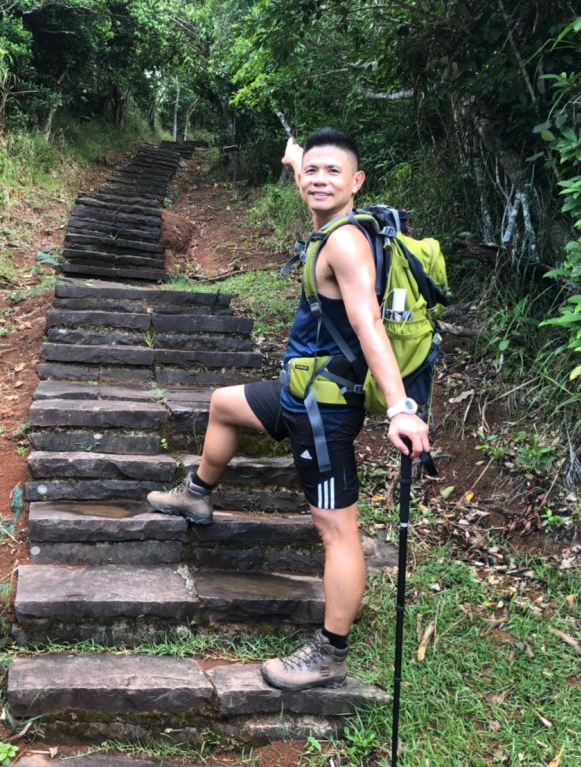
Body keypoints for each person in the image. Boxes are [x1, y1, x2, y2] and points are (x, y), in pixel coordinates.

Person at [147, 128, 430, 691]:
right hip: (301, 393)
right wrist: (296, 157)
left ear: (357, 183)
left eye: (332, 172)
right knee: (224, 404)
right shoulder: (336, 226)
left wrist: (400, 406)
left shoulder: (345, 244)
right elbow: (313, 172)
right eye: (310, 172)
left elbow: (368, 321)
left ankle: (330, 652)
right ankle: (197, 495)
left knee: (336, 530)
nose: (318, 179)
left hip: (323, 409)